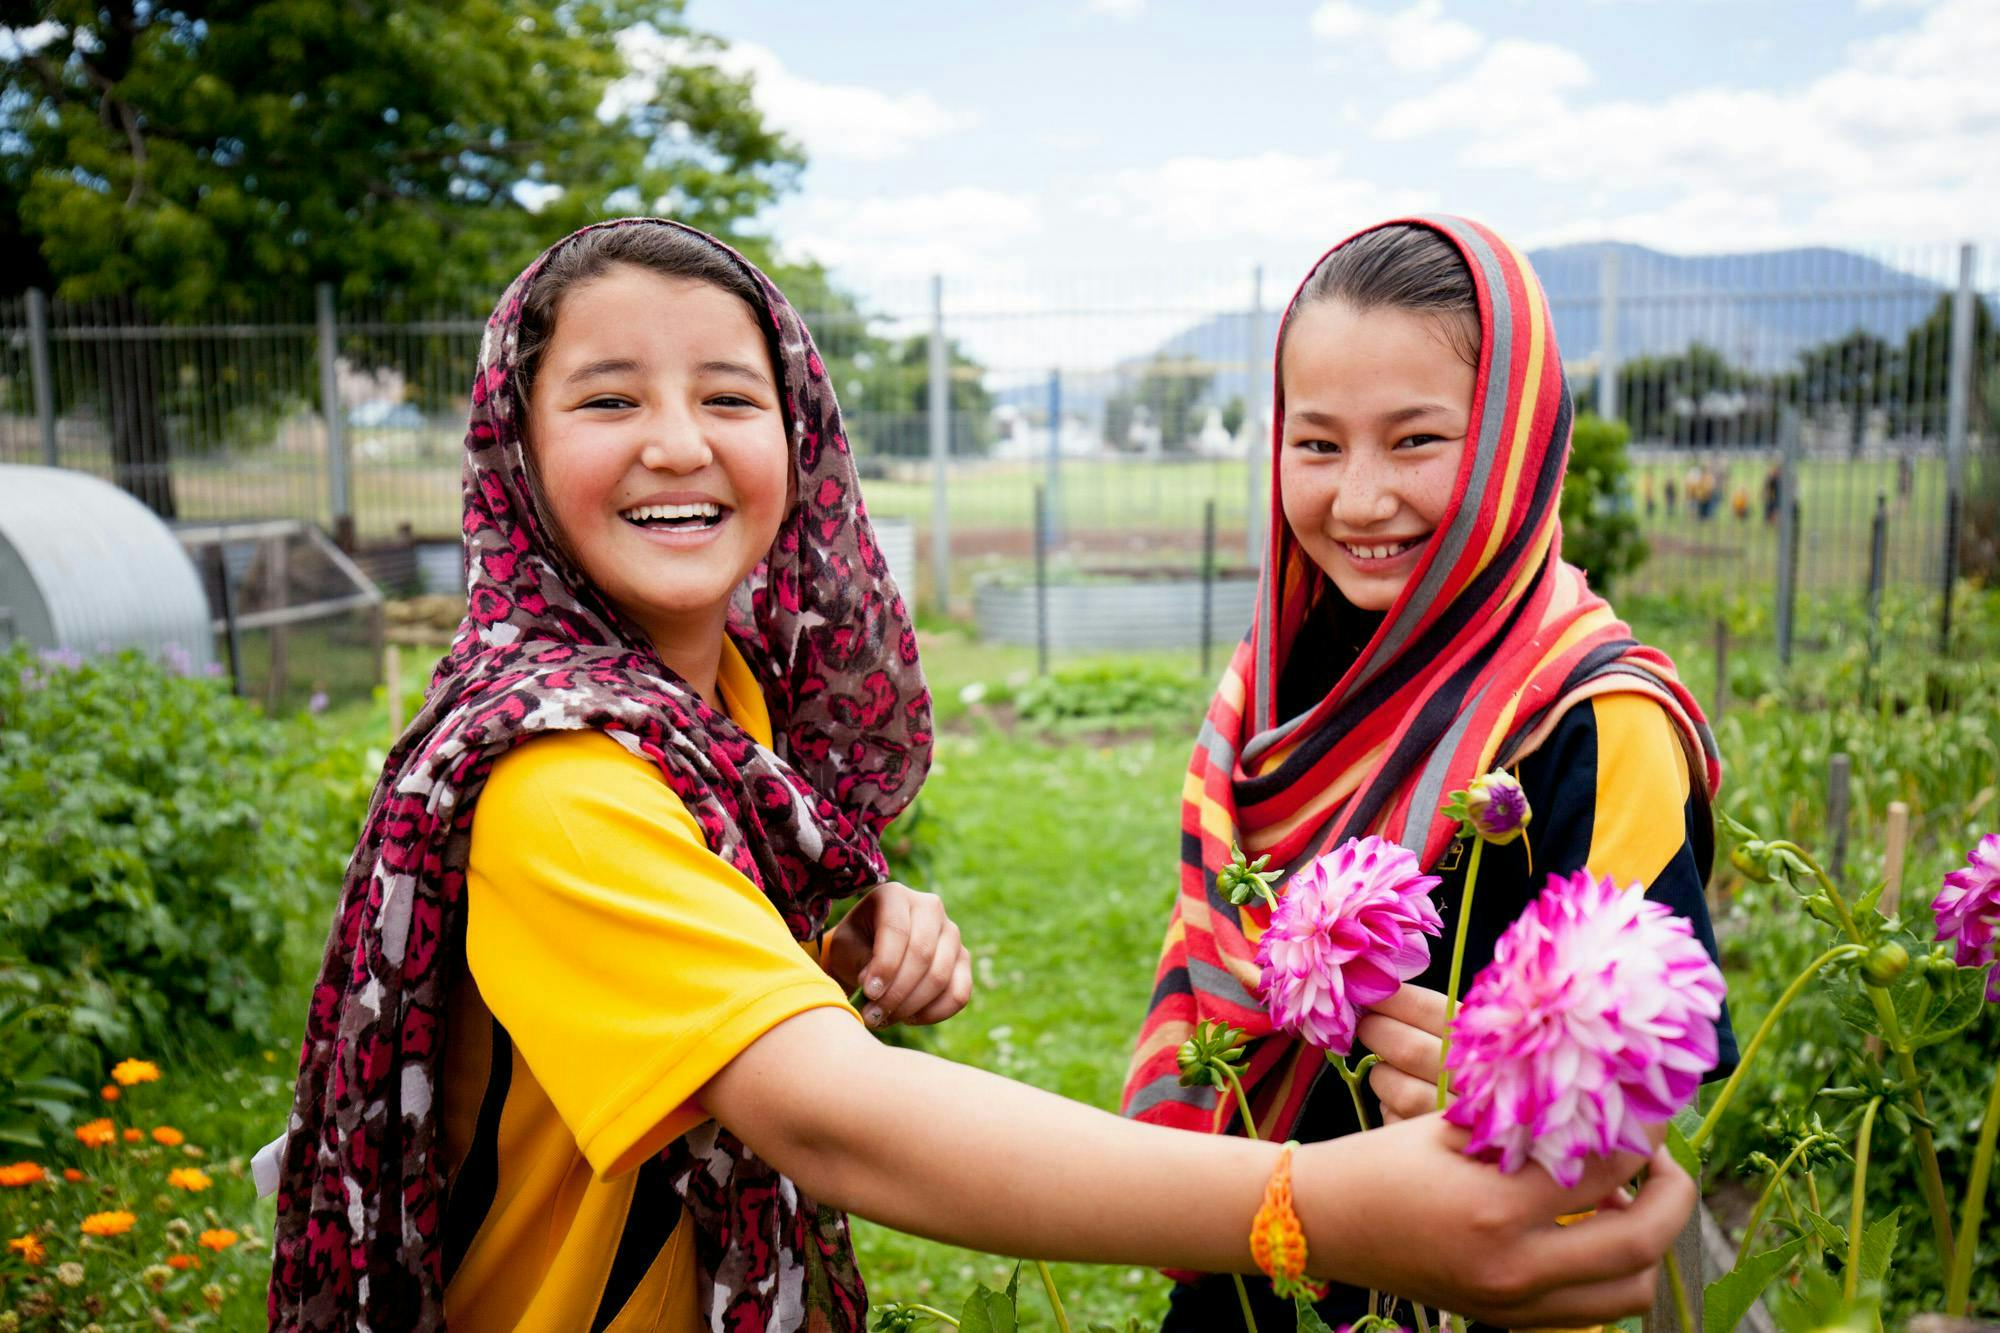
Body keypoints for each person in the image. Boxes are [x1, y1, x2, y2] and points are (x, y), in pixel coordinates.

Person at [266, 218, 1697, 1333]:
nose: (679, 442)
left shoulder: (708, 719)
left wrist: (832, 928)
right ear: (511, 451)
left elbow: (666, 948)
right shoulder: (560, 777)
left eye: (728, 393)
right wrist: (1305, 1202)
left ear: (801, 437)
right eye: (606, 399)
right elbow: (831, 1113)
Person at [1123, 217, 1737, 1332]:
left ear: (1516, 439)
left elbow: (1660, 1073)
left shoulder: (1596, 721)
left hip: (1459, 1284)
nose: (1357, 499)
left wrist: (1513, 1088)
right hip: (1246, 1256)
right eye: (1315, 445)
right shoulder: (1279, 672)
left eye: (1414, 441)